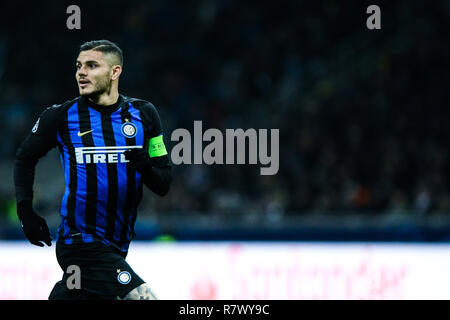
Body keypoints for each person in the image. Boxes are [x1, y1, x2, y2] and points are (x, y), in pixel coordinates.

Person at [13, 40, 172, 300]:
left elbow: (163, 184)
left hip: (117, 245)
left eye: (91, 65)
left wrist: (145, 165)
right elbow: (24, 158)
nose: (81, 72)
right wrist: (25, 211)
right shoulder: (62, 116)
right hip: (79, 242)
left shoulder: (145, 115)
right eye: (78, 66)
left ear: (114, 72)